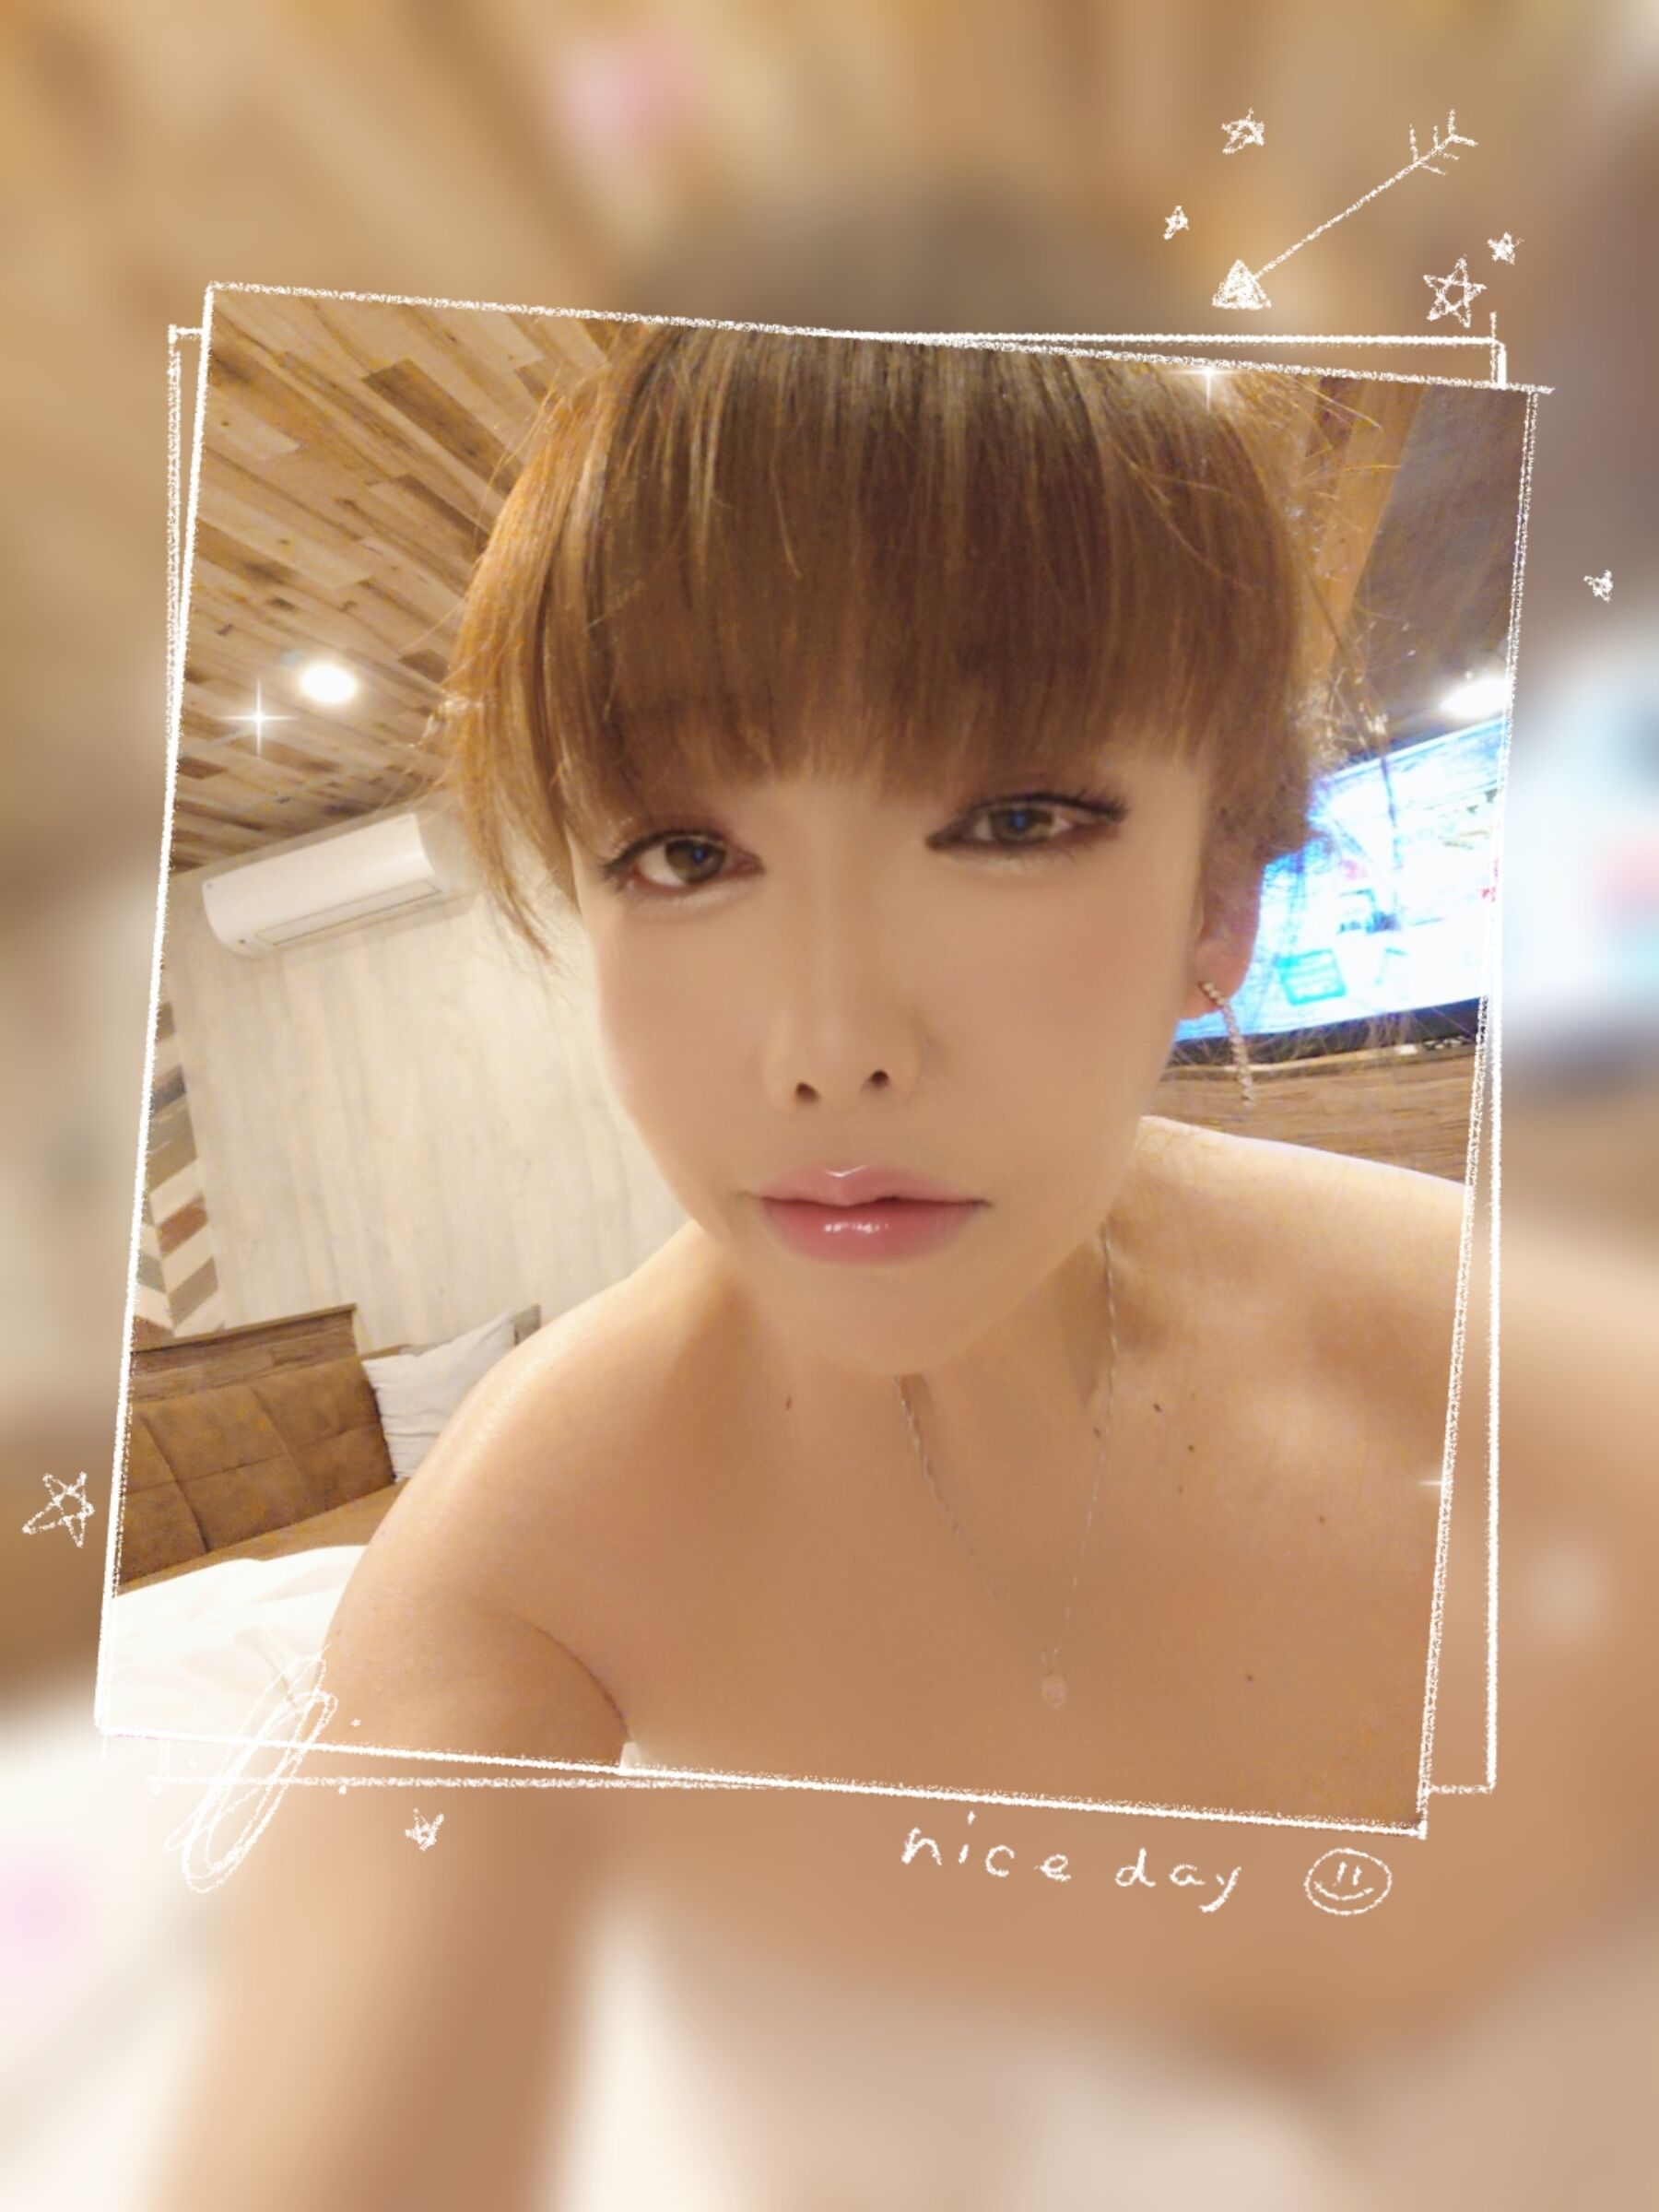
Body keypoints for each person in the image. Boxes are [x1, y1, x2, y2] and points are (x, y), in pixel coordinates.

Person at [155, 326, 1535, 2208]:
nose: (827, 1048)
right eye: (684, 852)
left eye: (1012, 821)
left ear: (1220, 903)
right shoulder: (537, 1537)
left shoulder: (1508, 1361)